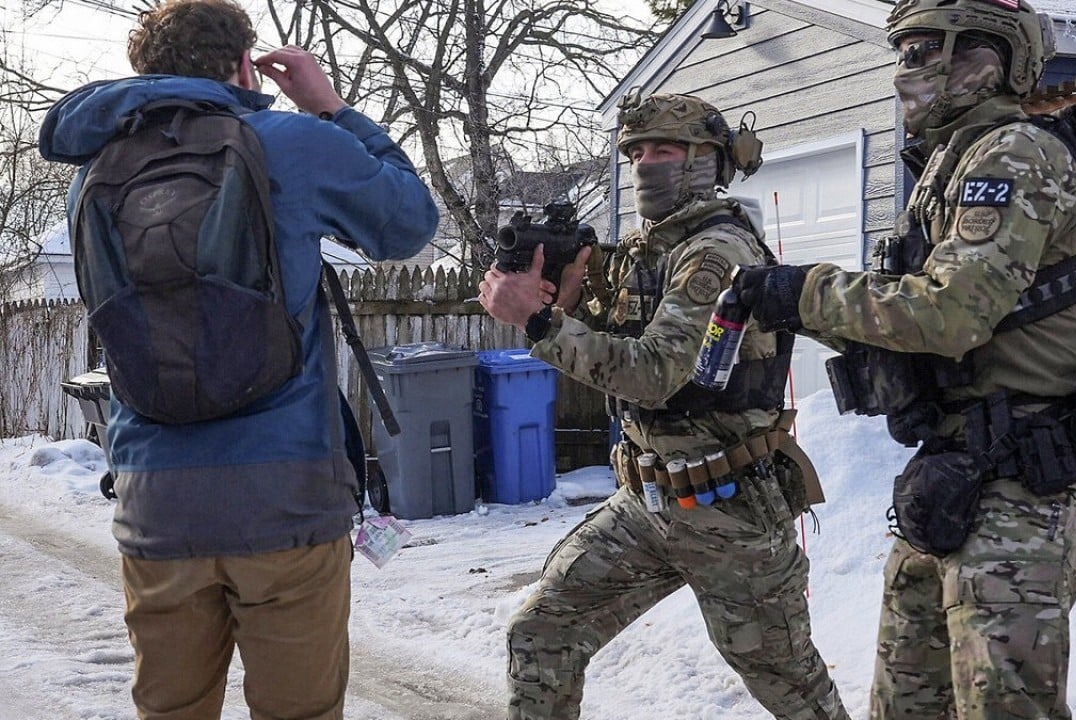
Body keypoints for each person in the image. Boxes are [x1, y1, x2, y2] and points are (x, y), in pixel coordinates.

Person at [38, 0, 438, 716]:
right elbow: (409, 223)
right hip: (286, 493)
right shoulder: (291, 143)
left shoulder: (94, 172)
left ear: (144, 73)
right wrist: (334, 109)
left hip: (156, 499)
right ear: (244, 65)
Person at [731, 0, 1076, 717]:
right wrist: (793, 305)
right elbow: (908, 311)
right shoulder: (949, 162)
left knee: (1002, 703)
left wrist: (804, 291)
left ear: (989, 60)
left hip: (1029, 475)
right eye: (903, 53)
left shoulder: (1014, 153)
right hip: (955, 468)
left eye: (929, 52)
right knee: (907, 697)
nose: (910, 70)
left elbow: (950, 313)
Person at [478, 91, 849, 720]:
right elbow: (620, 349)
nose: (648, 163)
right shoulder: (648, 250)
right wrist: (571, 305)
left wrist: (541, 322)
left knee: (791, 687)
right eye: (637, 152)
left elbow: (655, 376)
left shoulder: (716, 253)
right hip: (647, 504)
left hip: (729, 511)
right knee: (542, 632)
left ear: (707, 158)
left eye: (666, 150)